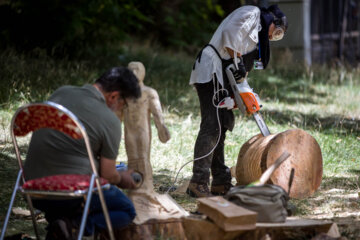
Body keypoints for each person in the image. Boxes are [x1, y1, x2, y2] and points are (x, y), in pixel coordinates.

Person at [23, 67, 141, 239]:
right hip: (70, 194)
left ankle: (60, 225)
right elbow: (108, 175)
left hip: (32, 189)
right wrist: (123, 178)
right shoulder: (110, 120)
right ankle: (75, 227)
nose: (121, 108)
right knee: (126, 210)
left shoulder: (61, 93)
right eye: (123, 104)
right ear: (114, 96)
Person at [187, 5, 288, 197]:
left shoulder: (257, 35)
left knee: (221, 127)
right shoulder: (252, 13)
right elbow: (229, 35)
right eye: (276, 32)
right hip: (211, 70)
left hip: (223, 76)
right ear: (274, 22)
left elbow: (242, 68)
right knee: (211, 126)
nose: (274, 37)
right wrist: (238, 64)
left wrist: (240, 92)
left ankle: (220, 181)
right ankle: (198, 182)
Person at [121, 61, 170, 193]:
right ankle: (135, 188)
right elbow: (117, 115)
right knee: (132, 158)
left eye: (137, 70)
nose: (134, 73)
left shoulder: (149, 93)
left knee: (142, 158)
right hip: (129, 132)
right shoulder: (124, 94)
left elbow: (157, 113)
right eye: (131, 70)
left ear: (143, 73)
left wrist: (161, 128)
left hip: (143, 132)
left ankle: (147, 188)